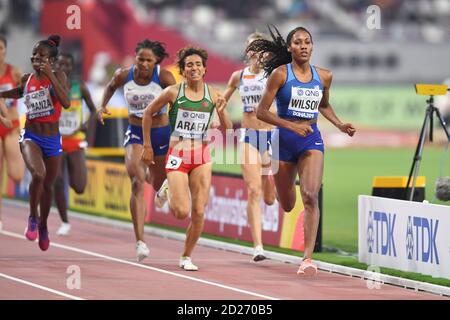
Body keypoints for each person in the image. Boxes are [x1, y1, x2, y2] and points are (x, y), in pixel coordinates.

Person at [249, 26, 355, 276]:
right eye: (298, 42)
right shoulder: (279, 75)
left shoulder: (324, 76)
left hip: (310, 140)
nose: (304, 46)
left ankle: (307, 258)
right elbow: (261, 112)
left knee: (310, 195)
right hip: (283, 141)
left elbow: (324, 105)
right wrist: (291, 126)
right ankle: (277, 184)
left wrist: (339, 124)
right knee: (287, 204)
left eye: (308, 42)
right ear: (290, 48)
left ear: (312, 46)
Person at [141, 46, 232, 271]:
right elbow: (147, 114)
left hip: (201, 155)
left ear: (204, 69)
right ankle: (167, 188)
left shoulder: (214, 94)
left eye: (198, 65)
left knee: (199, 211)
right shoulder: (173, 92)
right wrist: (147, 145)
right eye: (189, 65)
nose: (194, 68)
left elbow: (229, 130)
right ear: (183, 69)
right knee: (181, 212)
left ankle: (186, 256)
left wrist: (221, 111)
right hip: (178, 155)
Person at [97, 40, 176, 262]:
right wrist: (102, 107)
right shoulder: (124, 75)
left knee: (157, 180)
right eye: (140, 58)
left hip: (160, 133)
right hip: (136, 132)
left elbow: (176, 101)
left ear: (156, 62)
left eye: (148, 60)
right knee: (136, 181)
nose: (142, 64)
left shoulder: (164, 77)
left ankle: (162, 191)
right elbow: (111, 86)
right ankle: (140, 242)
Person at [0, 35, 70, 250]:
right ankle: (32, 216)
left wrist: (50, 74)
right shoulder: (28, 79)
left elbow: (66, 102)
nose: (36, 58)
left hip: (52, 139)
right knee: (38, 174)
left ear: (51, 60)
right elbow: (19, 93)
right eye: (34, 55)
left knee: (48, 185)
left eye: (42, 56)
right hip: (30, 135)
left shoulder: (59, 76)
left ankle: (44, 225)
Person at [222, 32, 276, 262]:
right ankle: (258, 247)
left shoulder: (274, 75)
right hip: (248, 135)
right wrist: (221, 116)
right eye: (251, 46)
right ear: (247, 51)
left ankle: (269, 177)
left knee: (270, 199)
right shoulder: (238, 76)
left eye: (259, 46)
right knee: (253, 191)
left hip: (272, 136)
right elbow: (222, 102)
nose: (254, 51)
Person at [53, 53, 96, 236]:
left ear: (72, 67)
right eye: (60, 64)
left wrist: (86, 124)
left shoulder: (80, 88)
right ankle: (64, 221)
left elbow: (94, 111)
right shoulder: (49, 87)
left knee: (79, 187)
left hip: (75, 140)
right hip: (54, 140)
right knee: (57, 181)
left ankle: (72, 175)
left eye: (67, 65)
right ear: (55, 65)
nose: (63, 68)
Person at [0, 35, 25, 231]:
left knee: (17, 175)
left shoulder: (14, 72)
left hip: (12, 125)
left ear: (5, 50)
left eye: (0, 48)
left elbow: (28, 89)